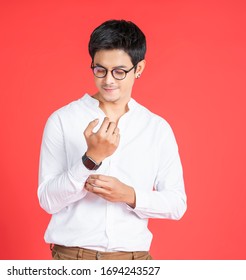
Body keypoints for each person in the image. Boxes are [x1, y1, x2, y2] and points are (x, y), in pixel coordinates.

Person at [38, 19, 187, 260]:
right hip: (72, 260)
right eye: (100, 70)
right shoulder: (63, 120)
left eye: (119, 72)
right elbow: (48, 201)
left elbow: (176, 203)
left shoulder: (156, 128)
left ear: (138, 69)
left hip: (134, 261)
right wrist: (90, 159)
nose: (108, 80)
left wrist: (129, 195)